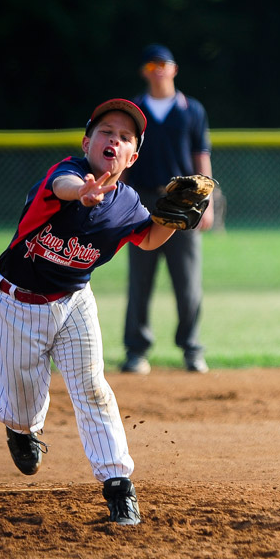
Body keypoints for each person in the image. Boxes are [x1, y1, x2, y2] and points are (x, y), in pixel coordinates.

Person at [0, 98, 179, 526]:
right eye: (106, 131)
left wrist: (173, 219)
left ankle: (119, 487)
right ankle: (21, 429)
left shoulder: (128, 203)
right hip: (17, 303)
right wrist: (84, 192)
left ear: (133, 155)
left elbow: (148, 238)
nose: (114, 139)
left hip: (75, 302)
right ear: (87, 142)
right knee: (21, 404)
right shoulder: (66, 174)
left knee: (93, 388)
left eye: (125, 136)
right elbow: (63, 187)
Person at [119, 43, 214, 375]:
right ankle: (136, 351)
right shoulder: (134, 109)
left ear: (174, 69)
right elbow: (124, 160)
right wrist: (118, 201)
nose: (156, 69)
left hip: (184, 201)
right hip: (141, 201)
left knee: (188, 283)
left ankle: (192, 350)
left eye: (162, 64)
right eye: (150, 65)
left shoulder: (192, 109)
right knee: (139, 281)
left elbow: (202, 157)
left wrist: (208, 203)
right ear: (143, 72)